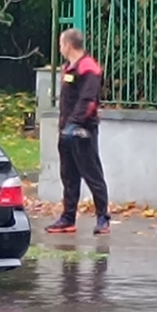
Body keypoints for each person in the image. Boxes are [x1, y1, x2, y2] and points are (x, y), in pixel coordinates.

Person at [46, 28, 111, 235]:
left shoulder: (88, 68)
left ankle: (103, 218)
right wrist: (65, 128)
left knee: (92, 174)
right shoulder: (69, 67)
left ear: (68, 45)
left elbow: (88, 101)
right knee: (69, 176)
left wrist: (74, 124)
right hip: (66, 130)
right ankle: (68, 218)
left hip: (83, 131)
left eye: (61, 44)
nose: (59, 48)